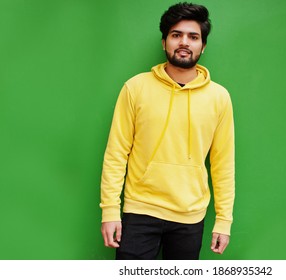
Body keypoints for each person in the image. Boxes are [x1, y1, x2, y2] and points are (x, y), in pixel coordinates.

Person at [100, 2, 235, 260]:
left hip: (190, 216)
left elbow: (223, 164)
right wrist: (109, 211)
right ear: (164, 42)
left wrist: (224, 220)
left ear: (203, 46)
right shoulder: (135, 88)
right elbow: (116, 153)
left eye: (193, 37)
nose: (184, 42)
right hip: (139, 212)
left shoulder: (219, 98)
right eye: (176, 35)